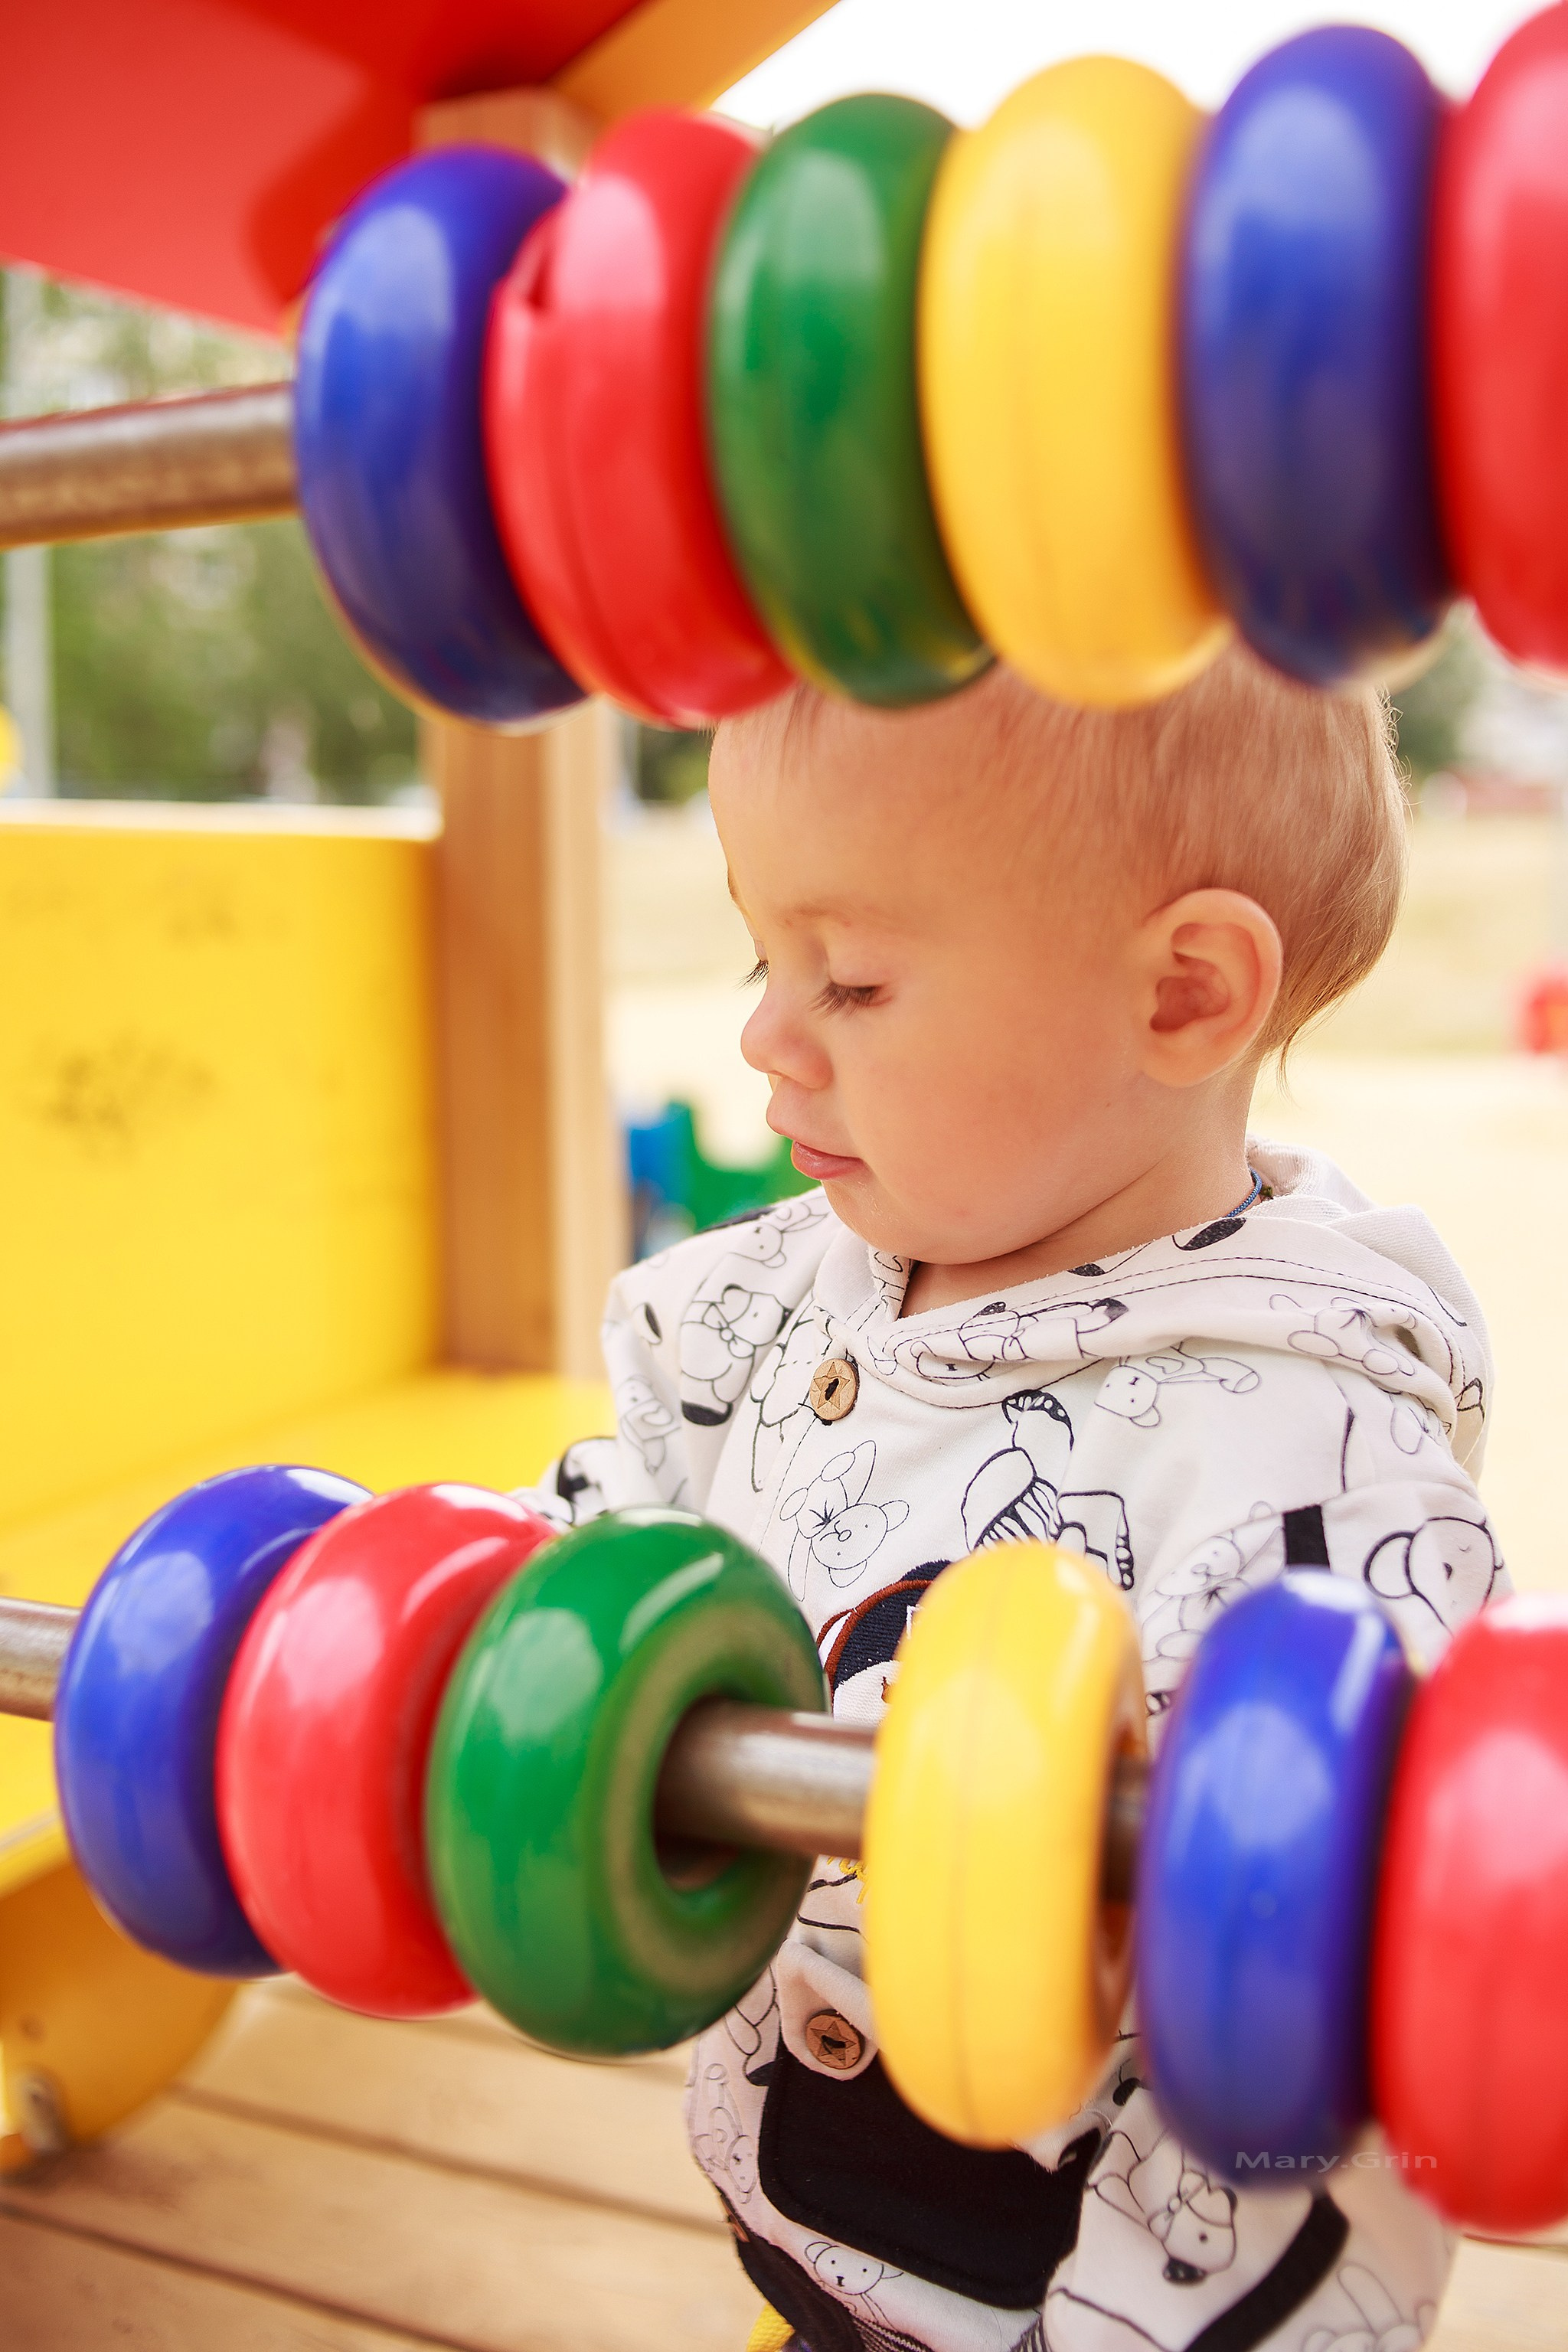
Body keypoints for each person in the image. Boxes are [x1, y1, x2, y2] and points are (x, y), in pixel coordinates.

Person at [519, 647, 1500, 2352]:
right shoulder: (765, 1296)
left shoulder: (1305, 1491)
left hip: (1049, 2297)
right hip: (798, 2209)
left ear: (1184, 994)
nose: (760, 1032)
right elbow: (617, 1529)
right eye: (765, 952)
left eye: (850, 983)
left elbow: (1312, 2079)